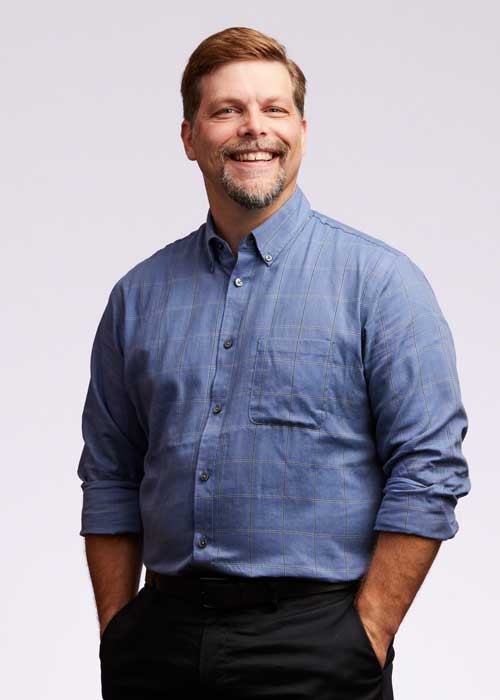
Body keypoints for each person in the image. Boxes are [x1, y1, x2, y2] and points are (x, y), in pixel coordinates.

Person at [77, 26, 471, 700]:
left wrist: (368, 632)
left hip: (317, 644)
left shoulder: (380, 283)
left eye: (274, 109)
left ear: (303, 131)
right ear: (189, 136)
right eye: (227, 110)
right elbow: (109, 473)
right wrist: (118, 630)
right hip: (159, 644)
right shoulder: (138, 297)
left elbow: (430, 466)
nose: (253, 128)